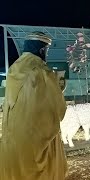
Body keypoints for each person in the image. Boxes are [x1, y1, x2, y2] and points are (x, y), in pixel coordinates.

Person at [0, 32, 68, 180]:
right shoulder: (42, 72)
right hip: (35, 142)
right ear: (42, 50)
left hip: (13, 140)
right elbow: (58, 109)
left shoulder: (14, 69)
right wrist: (59, 88)